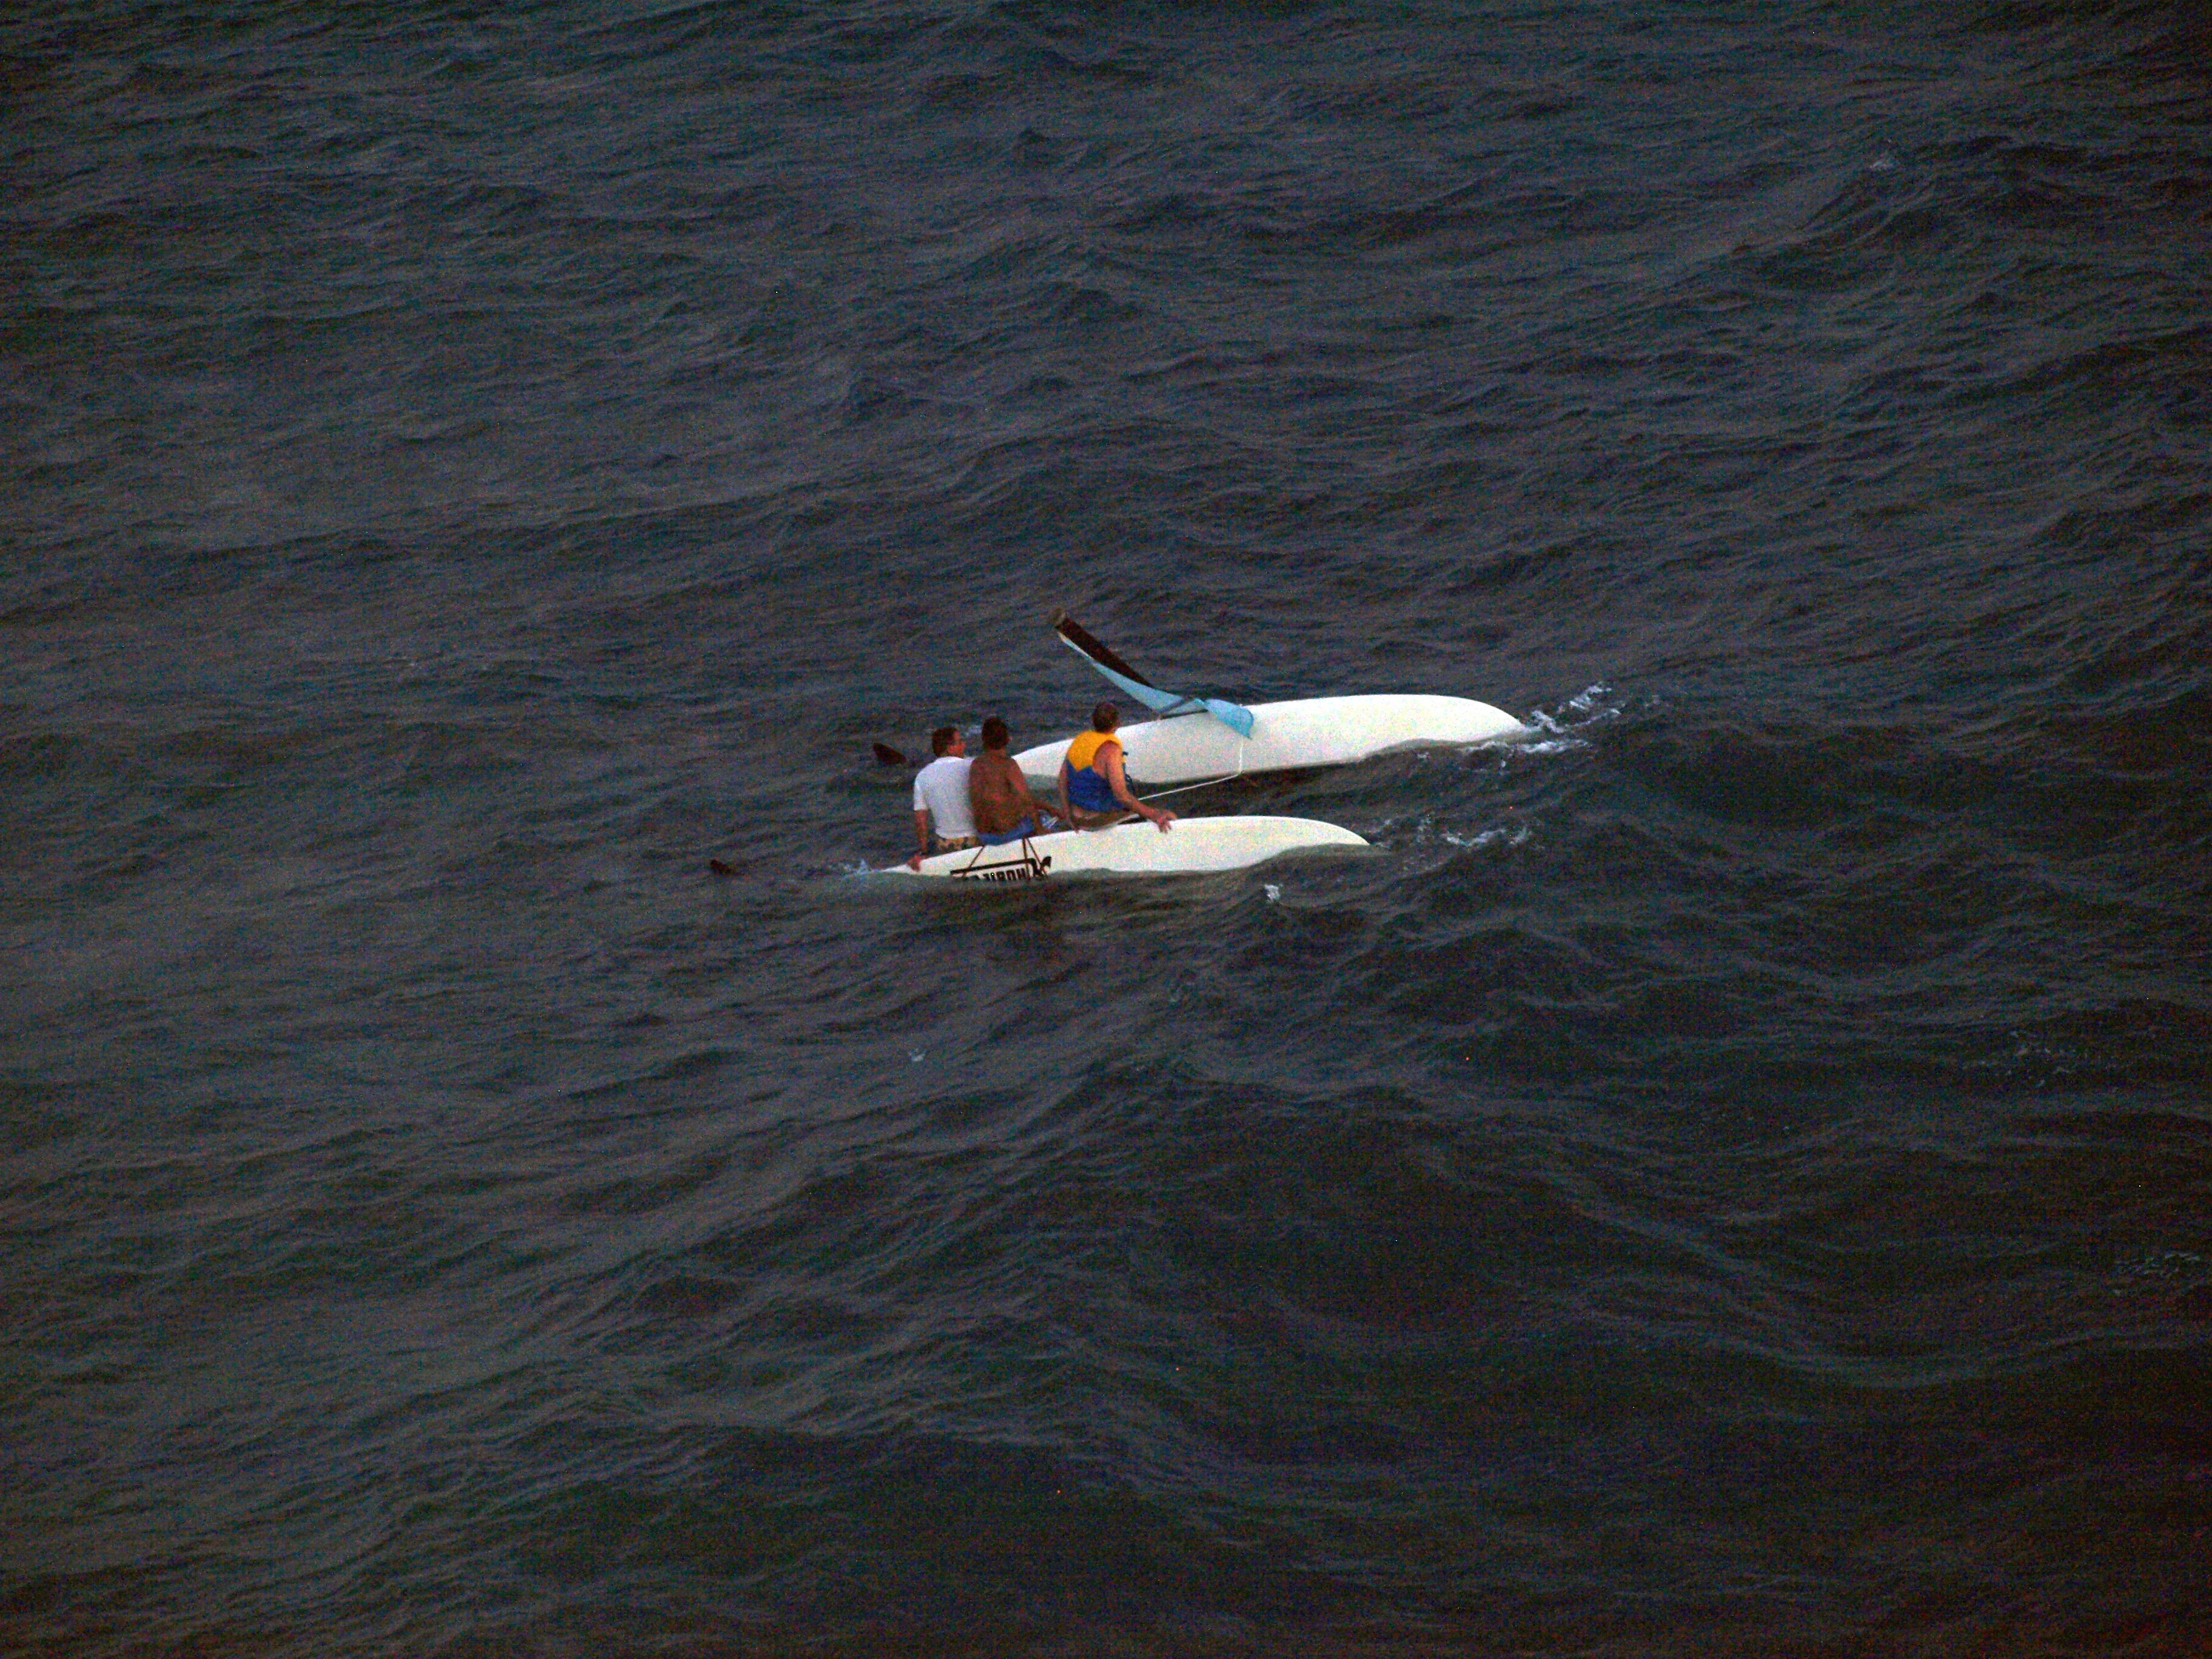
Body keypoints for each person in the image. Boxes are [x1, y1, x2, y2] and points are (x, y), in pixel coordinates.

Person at [1057, 701, 1174, 833]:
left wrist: (1068, 814)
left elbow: (1062, 781)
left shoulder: (1081, 740)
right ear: (1118, 723)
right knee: (1169, 816)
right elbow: (1121, 796)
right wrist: (1154, 814)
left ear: (1093, 721)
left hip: (1076, 816)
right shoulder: (1111, 749)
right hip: (1096, 820)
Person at [967, 716, 1058, 844]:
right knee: (1048, 819)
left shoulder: (976, 765)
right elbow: (1026, 799)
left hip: (985, 836)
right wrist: (1039, 829)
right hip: (1008, 836)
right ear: (1008, 739)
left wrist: (1048, 807)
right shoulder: (1009, 765)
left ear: (984, 740)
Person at [908, 725, 976, 870]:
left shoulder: (922, 776)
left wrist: (924, 852)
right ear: (950, 748)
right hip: (975, 840)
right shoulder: (971, 766)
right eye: (960, 742)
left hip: (945, 845)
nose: (965, 745)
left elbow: (921, 821)